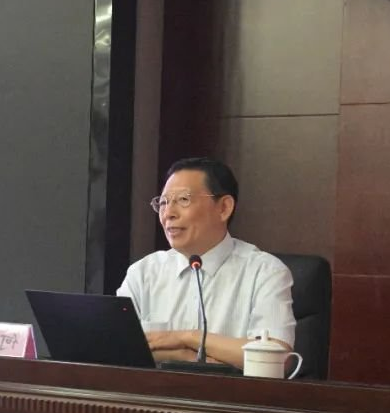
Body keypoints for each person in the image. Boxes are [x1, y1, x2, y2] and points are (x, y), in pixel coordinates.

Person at [116, 157, 295, 368]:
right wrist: (186, 356)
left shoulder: (264, 272)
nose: (169, 214)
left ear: (224, 208)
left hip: (230, 391)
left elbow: (276, 359)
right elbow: (116, 347)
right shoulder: (143, 273)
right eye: (163, 202)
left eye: (183, 200)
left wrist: (188, 338)